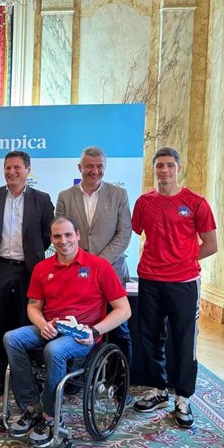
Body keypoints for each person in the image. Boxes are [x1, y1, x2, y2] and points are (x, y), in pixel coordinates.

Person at [3, 216, 131, 446]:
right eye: (57, 236)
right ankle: (33, 405)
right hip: (51, 328)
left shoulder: (99, 266)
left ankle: (51, 417)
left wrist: (95, 330)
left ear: (78, 235)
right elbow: (33, 307)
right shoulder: (43, 268)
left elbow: (124, 309)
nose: (63, 241)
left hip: (82, 336)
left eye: (68, 235)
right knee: (12, 338)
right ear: (51, 239)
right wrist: (43, 324)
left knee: (55, 350)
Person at [131, 147, 217, 428]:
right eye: (159, 166)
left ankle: (183, 397)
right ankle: (158, 390)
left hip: (183, 283)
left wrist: (182, 260)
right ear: (154, 169)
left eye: (169, 165)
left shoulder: (196, 202)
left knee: (183, 339)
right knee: (150, 337)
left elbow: (211, 244)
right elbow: (135, 233)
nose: (164, 171)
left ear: (178, 168)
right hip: (150, 280)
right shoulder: (144, 202)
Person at [55, 146, 133, 389]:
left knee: (119, 331)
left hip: (111, 273)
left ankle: (120, 385)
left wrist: (97, 264)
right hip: (76, 276)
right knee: (77, 329)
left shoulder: (119, 194)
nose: (95, 170)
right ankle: (78, 382)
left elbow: (124, 233)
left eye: (99, 166)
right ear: (80, 168)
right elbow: (62, 233)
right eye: (89, 166)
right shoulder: (65, 196)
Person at [0, 150, 54, 396]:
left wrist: (32, 255)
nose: (12, 172)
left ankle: (24, 375)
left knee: (27, 324)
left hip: (29, 271)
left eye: (17, 168)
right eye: (8, 167)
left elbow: (46, 235)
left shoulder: (42, 199)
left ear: (28, 170)